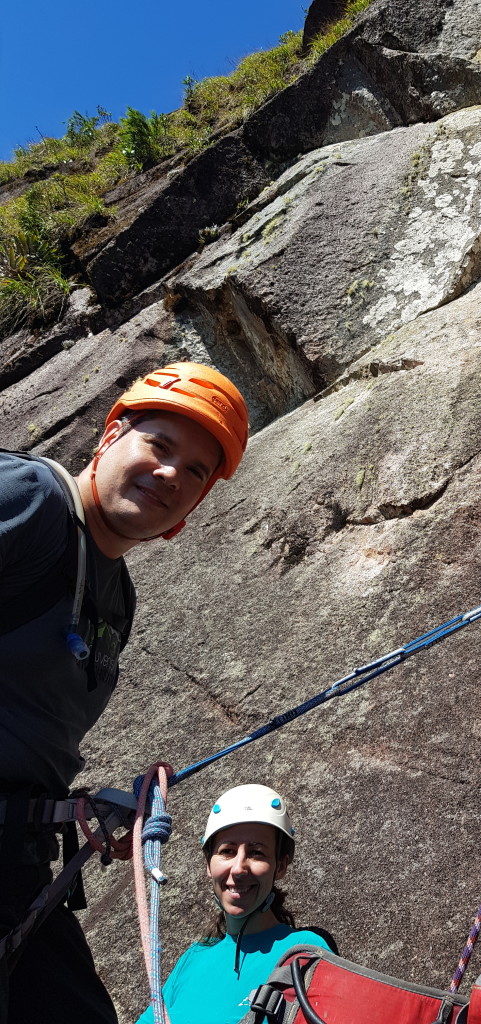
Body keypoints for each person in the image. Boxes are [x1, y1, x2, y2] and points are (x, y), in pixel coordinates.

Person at [0, 362, 249, 1024]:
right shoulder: (30, 498)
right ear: (110, 439)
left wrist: (70, 809)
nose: (172, 474)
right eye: (160, 446)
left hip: (16, 859)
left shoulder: (117, 598)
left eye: (196, 472)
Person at [136, 785, 334, 1024]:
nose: (239, 868)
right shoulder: (194, 957)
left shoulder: (303, 951)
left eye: (256, 853)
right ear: (209, 865)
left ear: (280, 866)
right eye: (227, 851)